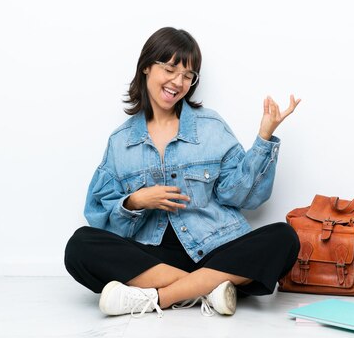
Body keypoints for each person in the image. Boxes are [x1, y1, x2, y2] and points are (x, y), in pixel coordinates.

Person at [64, 27, 301, 318]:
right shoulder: (120, 143)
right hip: (155, 258)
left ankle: (156, 298)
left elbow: (242, 197)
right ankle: (208, 289)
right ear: (147, 67)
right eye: (171, 69)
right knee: (79, 246)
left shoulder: (211, 127)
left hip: (216, 250)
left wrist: (264, 138)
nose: (178, 81)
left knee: (284, 237)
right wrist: (136, 201)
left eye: (188, 75)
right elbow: (101, 216)